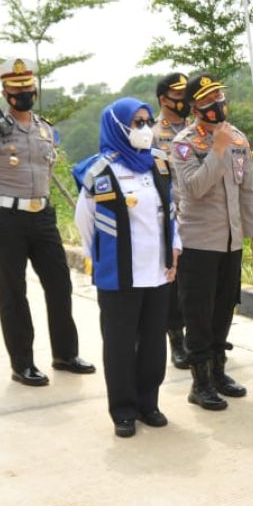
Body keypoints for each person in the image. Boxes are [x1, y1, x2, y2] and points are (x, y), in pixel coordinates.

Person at [0, 57, 94, 386]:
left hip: (43, 216)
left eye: (28, 88)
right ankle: (22, 363)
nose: (23, 94)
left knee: (60, 285)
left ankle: (65, 354)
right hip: (8, 219)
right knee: (13, 292)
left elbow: (48, 169)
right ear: (5, 93)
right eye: (16, 90)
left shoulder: (44, 129)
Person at [74, 98, 181, 438]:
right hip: (119, 276)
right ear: (118, 126)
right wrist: (107, 257)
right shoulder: (100, 171)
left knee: (153, 343)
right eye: (137, 122)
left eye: (147, 121)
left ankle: (149, 403)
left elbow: (172, 212)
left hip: (157, 272)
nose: (145, 129)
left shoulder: (158, 165)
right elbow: (85, 223)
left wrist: (174, 249)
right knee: (119, 345)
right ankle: (122, 409)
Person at [170, 71, 253, 411]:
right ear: (195, 106)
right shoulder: (183, 143)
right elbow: (194, 187)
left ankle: (219, 373)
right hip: (199, 243)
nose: (217, 105)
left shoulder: (238, 138)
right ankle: (200, 383)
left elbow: (247, 190)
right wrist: (217, 150)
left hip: (231, 242)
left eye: (219, 98)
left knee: (224, 307)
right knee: (198, 314)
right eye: (208, 101)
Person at [152, 72, 191, 371]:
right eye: (179, 96)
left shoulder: (196, 128)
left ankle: (200, 337)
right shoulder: (153, 133)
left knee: (198, 281)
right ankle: (176, 340)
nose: (184, 102)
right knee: (174, 283)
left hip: (200, 215)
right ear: (164, 99)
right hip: (172, 214)